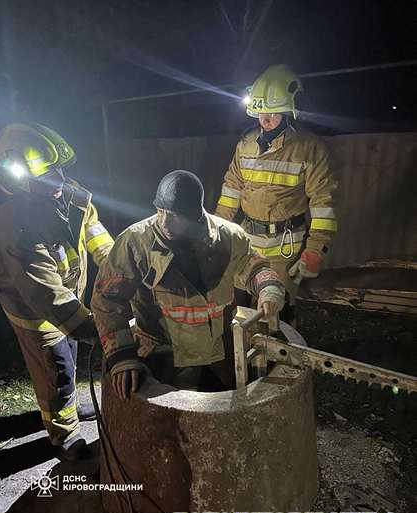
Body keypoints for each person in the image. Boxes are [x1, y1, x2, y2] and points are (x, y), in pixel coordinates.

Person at [91, 170, 286, 399]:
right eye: (160, 211)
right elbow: (106, 299)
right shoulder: (135, 242)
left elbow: (255, 268)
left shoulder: (228, 237)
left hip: (220, 357)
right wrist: (122, 357)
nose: (164, 222)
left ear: (194, 214)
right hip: (164, 358)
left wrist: (268, 289)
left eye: (174, 215)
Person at [0, 123, 114, 461]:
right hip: (36, 312)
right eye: (45, 177)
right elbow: (43, 289)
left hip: (68, 300)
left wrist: (120, 271)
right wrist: (93, 328)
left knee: (71, 356)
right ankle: (64, 434)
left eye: (59, 172)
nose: (57, 183)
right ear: (21, 182)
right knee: (56, 369)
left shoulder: (73, 197)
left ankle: (70, 411)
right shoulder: (14, 222)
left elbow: (97, 237)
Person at [215, 65, 338, 300]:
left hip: (286, 248)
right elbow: (231, 189)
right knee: (240, 307)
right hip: (247, 242)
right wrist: (218, 231)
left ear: (289, 112)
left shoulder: (309, 149)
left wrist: (315, 249)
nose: (265, 120)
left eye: (273, 114)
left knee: (276, 311)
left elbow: (323, 202)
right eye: (261, 114)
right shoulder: (245, 145)